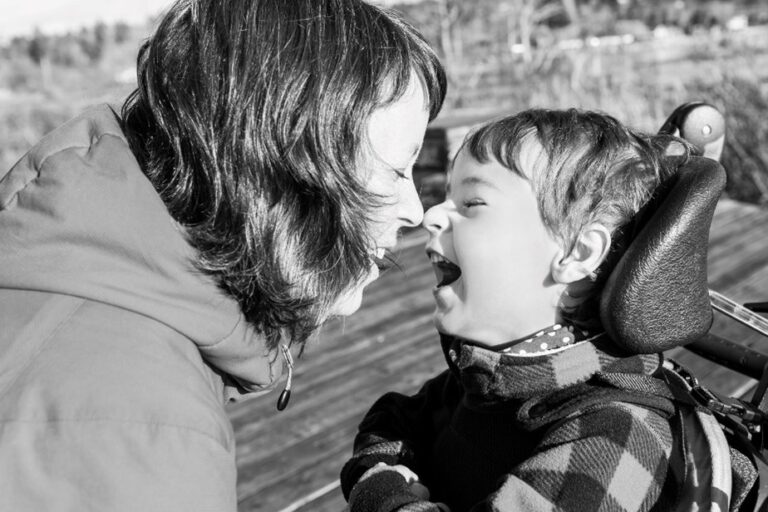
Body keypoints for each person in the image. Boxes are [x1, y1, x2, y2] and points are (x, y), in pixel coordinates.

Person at [0, 0, 445, 510]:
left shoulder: (76, 302)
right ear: (280, 168)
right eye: (395, 170)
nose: (415, 209)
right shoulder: (140, 433)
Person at [340, 109, 699, 511]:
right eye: (445, 198)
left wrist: (383, 498)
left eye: (472, 202)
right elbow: (391, 421)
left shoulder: (616, 434)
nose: (431, 215)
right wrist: (378, 470)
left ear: (577, 252)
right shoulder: (486, 378)